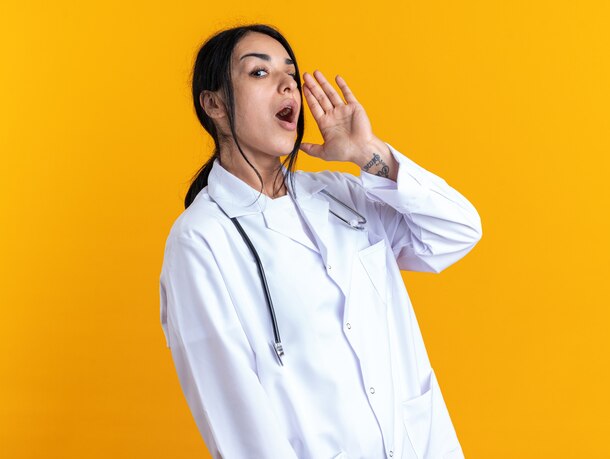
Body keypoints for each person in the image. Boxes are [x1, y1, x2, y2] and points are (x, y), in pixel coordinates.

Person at [159, 23, 482, 459]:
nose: (286, 85)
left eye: (291, 75)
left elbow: (457, 231)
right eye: (259, 72)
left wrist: (368, 153)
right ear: (214, 103)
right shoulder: (201, 240)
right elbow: (237, 419)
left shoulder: (340, 195)